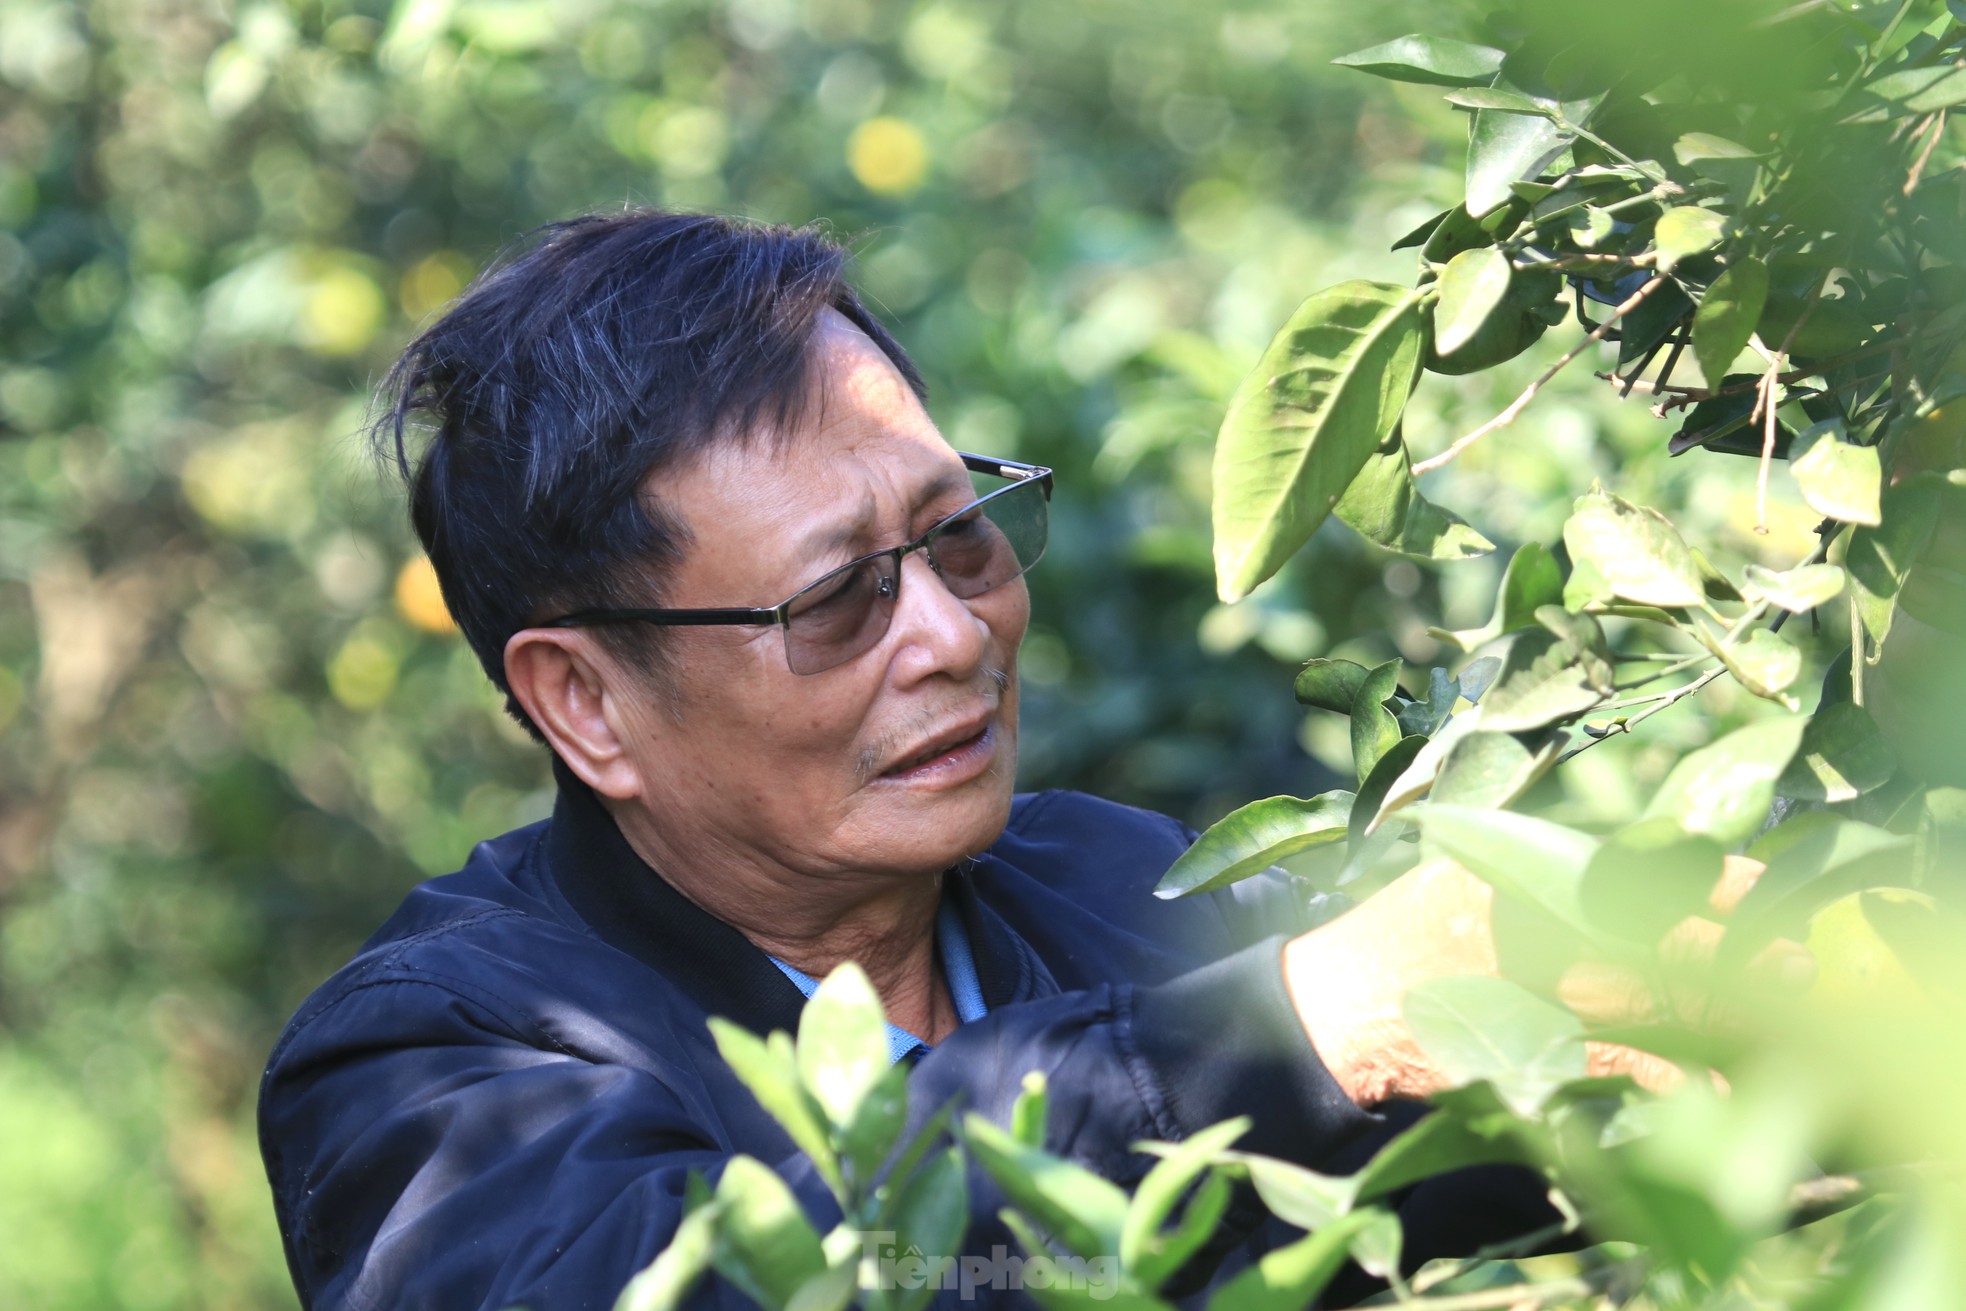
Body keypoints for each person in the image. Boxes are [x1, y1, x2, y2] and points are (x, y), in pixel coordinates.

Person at [257, 211, 1605, 1310]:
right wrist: (1286, 1035)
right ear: (586, 702)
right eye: (835, 600)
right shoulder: (431, 1062)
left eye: (959, 534)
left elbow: (1461, 1138)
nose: (952, 634)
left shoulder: (1125, 886)